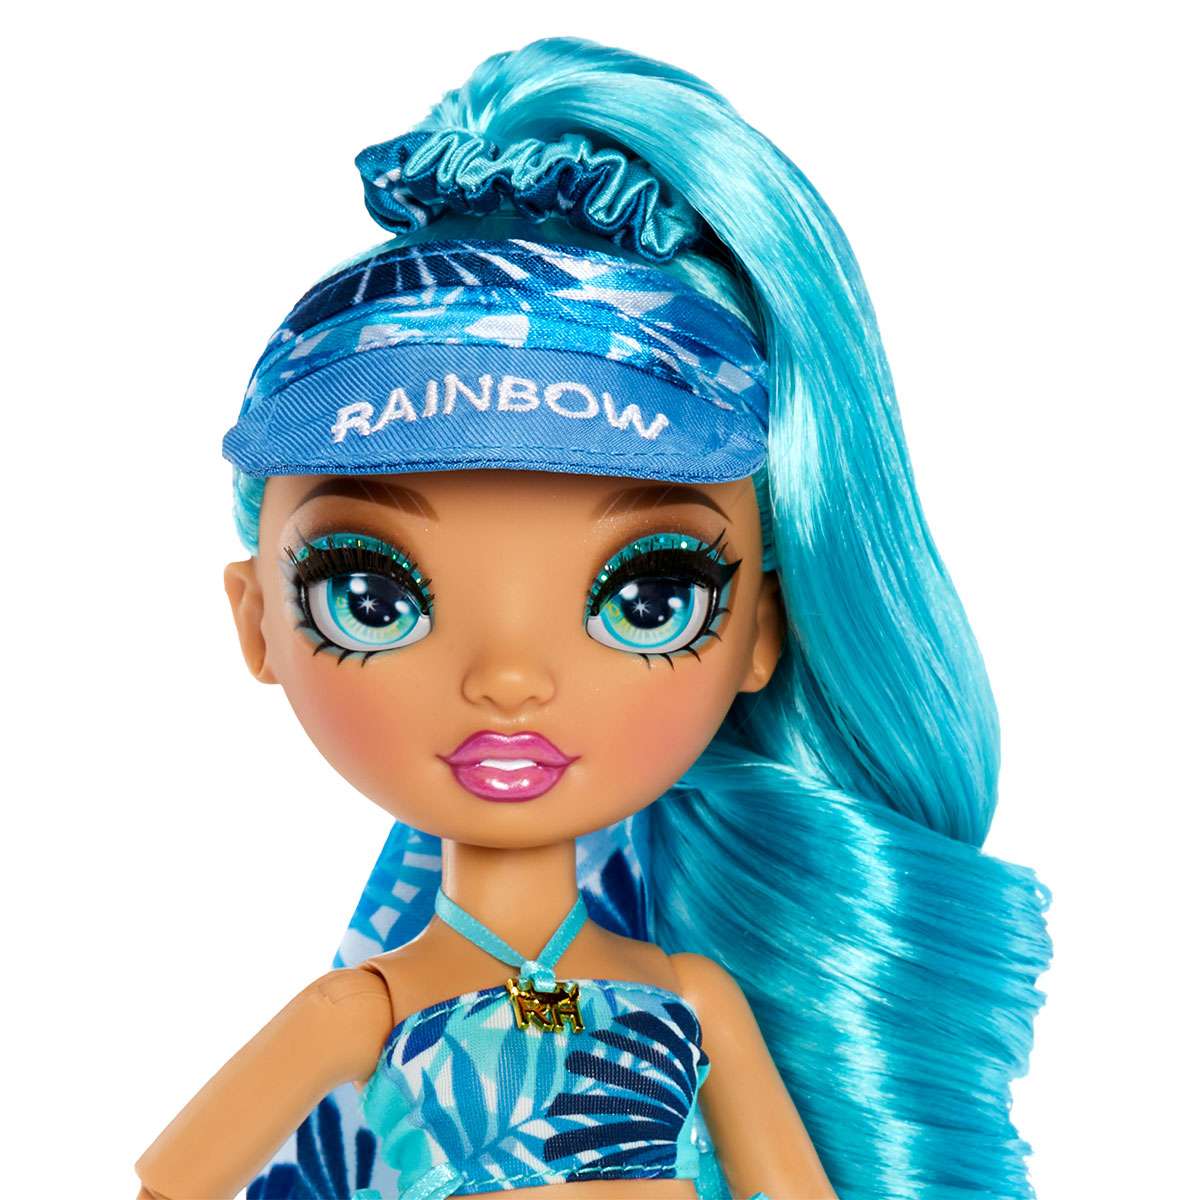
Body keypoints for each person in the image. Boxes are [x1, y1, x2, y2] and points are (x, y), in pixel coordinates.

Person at [135, 35, 1051, 1200]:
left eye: (651, 598)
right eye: (371, 598)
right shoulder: (361, 1010)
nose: (510, 677)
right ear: (258, 621)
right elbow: (175, 1182)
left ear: (761, 631)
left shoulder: (693, 998)